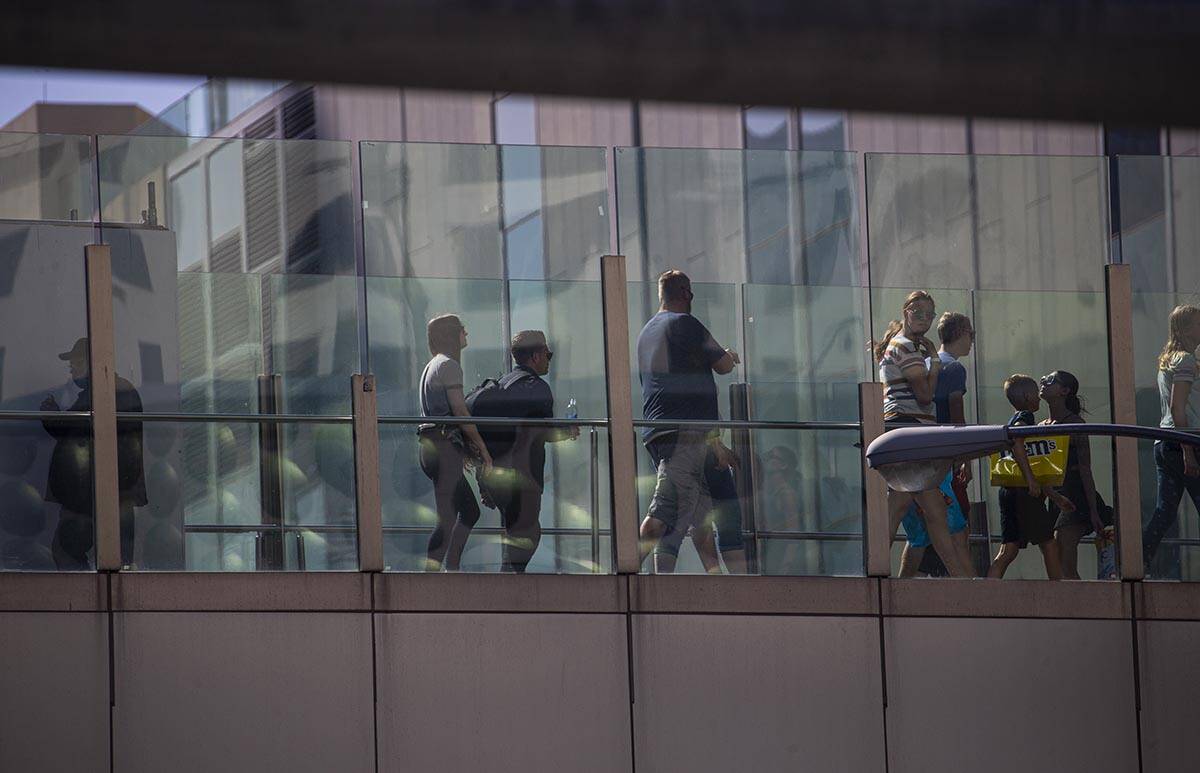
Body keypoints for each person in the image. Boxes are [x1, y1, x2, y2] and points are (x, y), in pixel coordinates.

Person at [636, 270, 741, 566]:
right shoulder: (686, 323)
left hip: (661, 430)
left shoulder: (647, 331)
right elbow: (721, 366)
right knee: (663, 512)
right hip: (684, 432)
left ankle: (716, 587)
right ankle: (626, 571)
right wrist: (730, 356)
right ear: (686, 294)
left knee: (697, 516)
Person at [874, 291, 973, 578]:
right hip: (908, 430)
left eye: (929, 314)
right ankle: (874, 571)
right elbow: (926, 395)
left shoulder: (906, 346)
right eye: (918, 312)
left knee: (933, 513)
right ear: (905, 312)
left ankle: (964, 583)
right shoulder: (905, 346)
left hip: (909, 432)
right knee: (907, 507)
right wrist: (935, 362)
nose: (924, 319)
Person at [41, 337, 146, 569]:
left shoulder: (104, 392)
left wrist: (50, 413)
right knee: (116, 559)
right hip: (108, 494)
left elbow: (70, 429)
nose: (71, 368)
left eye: (76, 362)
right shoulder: (114, 390)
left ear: (92, 362)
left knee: (68, 550)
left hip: (89, 497)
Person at [478, 330, 578, 573]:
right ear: (535, 356)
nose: (549, 358)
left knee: (516, 531)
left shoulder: (502, 383)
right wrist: (568, 430)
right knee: (528, 532)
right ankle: (509, 586)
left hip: (493, 473)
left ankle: (509, 582)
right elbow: (541, 431)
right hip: (522, 475)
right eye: (547, 353)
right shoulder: (537, 387)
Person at [418, 314, 492, 571]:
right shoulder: (449, 365)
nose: (466, 334)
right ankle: (437, 574)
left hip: (433, 447)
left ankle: (449, 569)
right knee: (451, 517)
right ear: (452, 334)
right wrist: (482, 449)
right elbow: (460, 412)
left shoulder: (433, 365)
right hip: (441, 448)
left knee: (464, 512)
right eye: (463, 330)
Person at [986, 375, 1070, 579]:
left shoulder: (1013, 417)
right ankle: (1060, 594)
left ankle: (986, 593)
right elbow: (1017, 441)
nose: (1039, 399)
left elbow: (1034, 460)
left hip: (1009, 490)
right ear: (1026, 396)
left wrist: (1055, 497)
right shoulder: (1025, 417)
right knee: (1049, 544)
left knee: (1009, 550)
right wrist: (1031, 480)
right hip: (1024, 492)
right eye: (1035, 394)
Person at [1143, 304, 1200, 572]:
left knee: (1165, 511)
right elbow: (1179, 409)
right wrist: (1189, 452)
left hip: (1163, 441)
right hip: (1185, 441)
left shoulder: (1171, 359)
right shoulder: (1186, 360)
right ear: (1187, 328)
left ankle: (1137, 562)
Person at [1039, 370, 1112, 580]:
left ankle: (1080, 607)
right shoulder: (1041, 425)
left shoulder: (1075, 424)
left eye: (1050, 380)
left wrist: (1093, 511)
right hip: (1054, 495)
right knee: (1056, 558)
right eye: (1043, 380)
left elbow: (1085, 468)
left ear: (1064, 391)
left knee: (1064, 554)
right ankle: (1071, 605)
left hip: (1075, 493)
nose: (1043, 383)